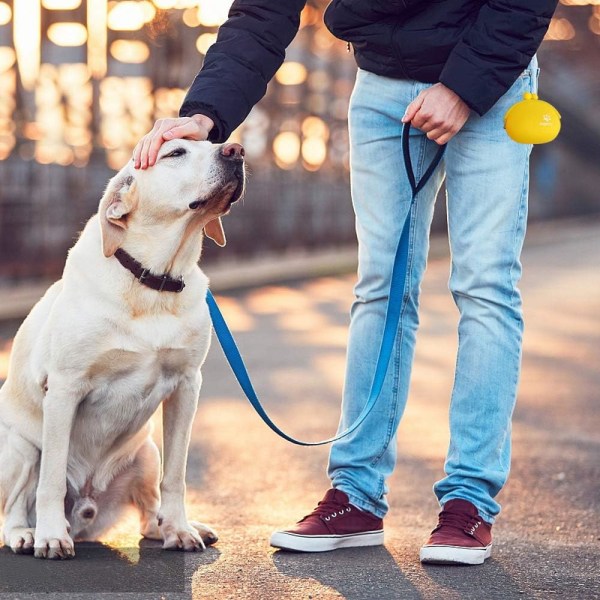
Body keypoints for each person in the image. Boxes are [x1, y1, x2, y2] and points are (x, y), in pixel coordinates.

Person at [134, 0, 558, 565]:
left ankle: (468, 502)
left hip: (492, 81)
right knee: (379, 288)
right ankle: (355, 495)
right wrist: (205, 114)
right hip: (382, 86)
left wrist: (461, 87)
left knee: (484, 285)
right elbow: (263, 12)